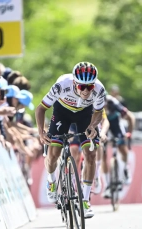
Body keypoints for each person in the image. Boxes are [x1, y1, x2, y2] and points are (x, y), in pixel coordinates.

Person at [35, 62, 106, 219]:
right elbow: (40, 109)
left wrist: (93, 126)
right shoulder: (61, 85)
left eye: (90, 87)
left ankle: (85, 200)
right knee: (53, 154)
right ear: (74, 82)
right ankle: (51, 180)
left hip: (85, 115)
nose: (86, 91)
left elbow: (99, 112)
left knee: (91, 154)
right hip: (62, 112)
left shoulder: (100, 89)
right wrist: (41, 132)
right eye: (82, 87)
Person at [101, 94, 135, 199]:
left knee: (122, 146)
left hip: (115, 123)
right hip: (102, 124)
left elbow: (130, 117)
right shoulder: (92, 102)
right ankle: (107, 185)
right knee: (102, 154)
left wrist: (129, 133)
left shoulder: (113, 102)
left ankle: (125, 169)